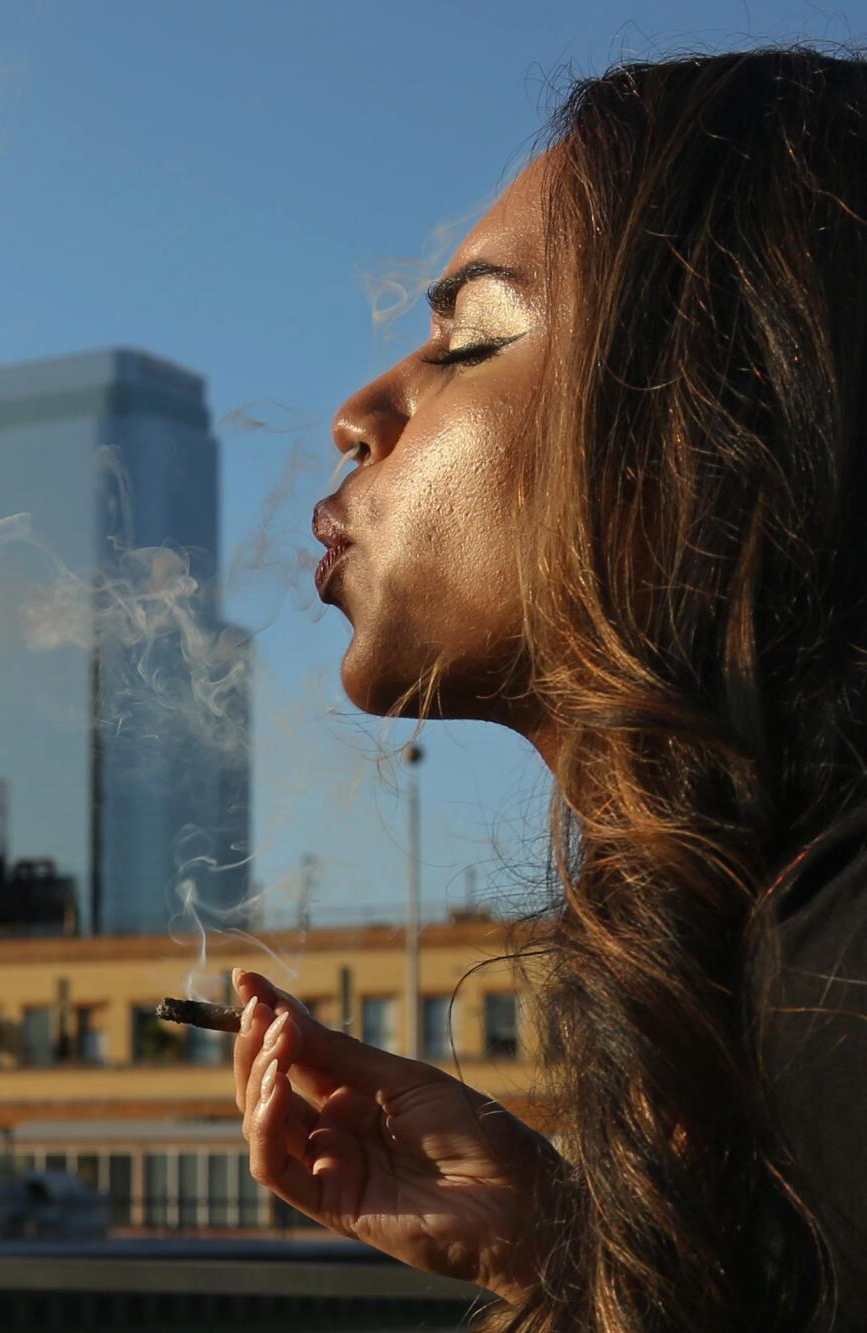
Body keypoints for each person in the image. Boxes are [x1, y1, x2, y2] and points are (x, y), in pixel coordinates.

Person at [232, 48, 867, 1331]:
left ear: (701, 411)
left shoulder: (838, 981)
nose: (359, 411)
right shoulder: (771, 941)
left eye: (468, 339)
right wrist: (563, 1248)